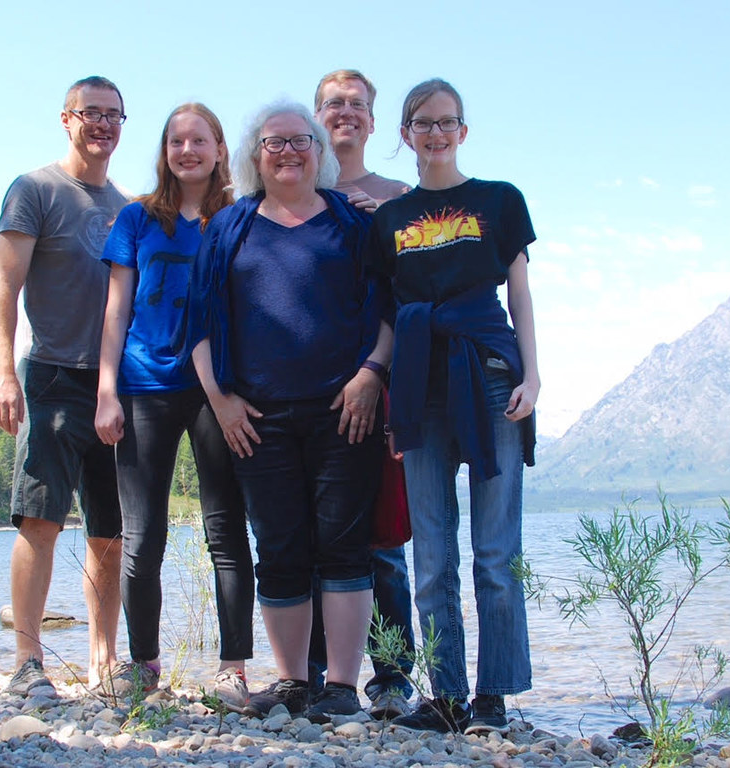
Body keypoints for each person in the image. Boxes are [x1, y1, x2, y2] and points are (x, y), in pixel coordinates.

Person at [181, 101, 392, 722]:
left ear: (318, 151)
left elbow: (387, 311)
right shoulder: (229, 228)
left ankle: (343, 686)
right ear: (254, 156)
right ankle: (295, 681)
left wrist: (370, 376)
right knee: (278, 547)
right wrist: (220, 402)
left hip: (344, 409)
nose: (288, 152)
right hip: (257, 420)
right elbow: (199, 326)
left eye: (300, 141)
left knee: (343, 547)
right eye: (274, 143)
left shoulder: (352, 226)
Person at [366, 78, 540, 734]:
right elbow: (386, 314)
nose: (435, 134)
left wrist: (535, 375)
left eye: (446, 123)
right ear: (405, 134)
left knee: (496, 550)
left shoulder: (500, 202)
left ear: (463, 131)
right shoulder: (389, 221)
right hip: (418, 388)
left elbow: (520, 294)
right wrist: (383, 394)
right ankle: (445, 696)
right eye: (422, 123)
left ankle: (493, 697)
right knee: (433, 553)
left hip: (492, 376)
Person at [94, 103, 255, 710]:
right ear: (164, 151)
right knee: (142, 536)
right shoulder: (137, 220)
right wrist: (107, 390)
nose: (187, 150)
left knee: (225, 530)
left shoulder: (238, 219)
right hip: (144, 386)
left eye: (200, 140)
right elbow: (116, 311)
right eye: (176, 141)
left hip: (217, 392)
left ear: (219, 148)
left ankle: (233, 668)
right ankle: (144, 666)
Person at [0, 76, 130, 696]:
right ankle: (27, 661)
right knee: (39, 520)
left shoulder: (128, 209)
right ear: (66, 120)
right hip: (50, 374)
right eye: (90, 113)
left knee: (110, 529)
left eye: (113, 115)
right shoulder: (35, 190)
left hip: (116, 386)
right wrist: (0, 369)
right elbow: (3, 287)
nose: (102, 125)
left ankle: (103, 660)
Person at [308, 68, 415, 721]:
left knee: (383, 540)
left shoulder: (397, 196)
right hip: (306, 390)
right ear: (316, 117)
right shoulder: (293, 191)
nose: (344, 113)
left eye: (356, 105)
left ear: (372, 122)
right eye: (332, 105)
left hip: (379, 383)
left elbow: (411, 294)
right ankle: (321, 674)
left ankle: (394, 675)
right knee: (317, 533)